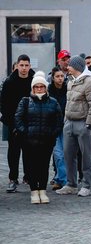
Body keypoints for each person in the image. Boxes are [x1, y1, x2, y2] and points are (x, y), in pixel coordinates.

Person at [14, 72, 62, 204]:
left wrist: (53, 133)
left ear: (46, 88)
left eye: (42, 86)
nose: (39, 89)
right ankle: (34, 191)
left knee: (43, 166)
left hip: (46, 141)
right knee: (31, 167)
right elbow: (18, 119)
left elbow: (58, 120)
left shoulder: (53, 102)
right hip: (29, 141)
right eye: (37, 86)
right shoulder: (25, 101)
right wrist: (25, 132)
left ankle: (42, 190)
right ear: (33, 88)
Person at [58, 55, 91, 197]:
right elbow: (68, 103)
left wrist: (89, 124)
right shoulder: (70, 81)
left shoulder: (90, 82)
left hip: (83, 123)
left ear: (77, 67)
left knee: (86, 155)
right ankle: (71, 184)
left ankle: (86, 185)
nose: (67, 67)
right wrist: (65, 121)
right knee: (68, 155)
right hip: (69, 123)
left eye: (70, 65)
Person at [2, 54, 33, 193]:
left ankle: (28, 176)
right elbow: (4, 105)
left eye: (26, 65)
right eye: (22, 65)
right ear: (17, 66)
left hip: (30, 123)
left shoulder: (34, 81)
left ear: (30, 66)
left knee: (29, 152)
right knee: (13, 152)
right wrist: (11, 123)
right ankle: (13, 178)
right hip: (13, 123)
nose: (24, 68)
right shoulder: (10, 82)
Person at [47, 68, 68, 190]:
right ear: (53, 78)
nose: (60, 78)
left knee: (65, 154)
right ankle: (62, 179)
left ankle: (61, 179)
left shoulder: (68, 88)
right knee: (58, 154)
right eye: (57, 76)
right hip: (54, 126)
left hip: (66, 124)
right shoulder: (49, 91)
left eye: (62, 76)